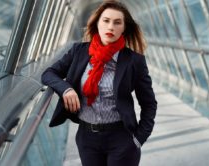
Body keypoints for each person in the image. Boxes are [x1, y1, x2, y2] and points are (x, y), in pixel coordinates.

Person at [41, 1, 157, 166]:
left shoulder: (133, 61)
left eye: (117, 23)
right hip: (87, 138)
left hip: (121, 138)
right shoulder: (79, 51)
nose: (111, 27)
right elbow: (48, 73)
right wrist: (66, 89)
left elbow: (149, 103)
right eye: (106, 20)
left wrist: (138, 139)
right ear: (97, 23)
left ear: (124, 28)